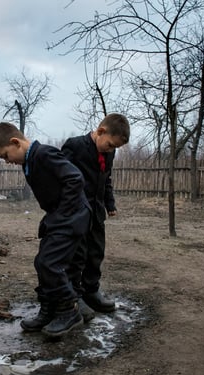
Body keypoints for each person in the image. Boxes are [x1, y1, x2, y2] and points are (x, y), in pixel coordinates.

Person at [0, 122, 91, 337]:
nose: (7, 162)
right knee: (42, 262)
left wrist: (61, 215)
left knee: (50, 263)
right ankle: (49, 309)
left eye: (6, 156)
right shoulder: (30, 161)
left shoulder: (44, 154)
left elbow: (75, 178)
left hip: (72, 217)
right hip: (61, 217)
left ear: (15, 142)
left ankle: (68, 310)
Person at [61, 113, 130, 316]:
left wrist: (110, 203)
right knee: (77, 255)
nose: (111, 150)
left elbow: (106, 179)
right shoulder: (74, 146)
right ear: (100, 132)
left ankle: (91, 291)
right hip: (77, 211)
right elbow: (61, 177)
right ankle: (74, 296)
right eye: (109, 145)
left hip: (97, 211)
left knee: (96, 252)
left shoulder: (109, 153)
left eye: (114, 148)